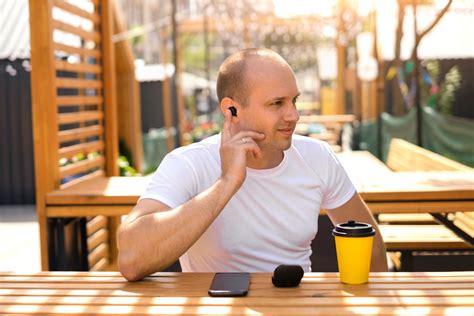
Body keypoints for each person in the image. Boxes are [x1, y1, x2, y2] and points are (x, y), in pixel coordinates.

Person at [118, 48, 388, 281]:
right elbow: (131, 258)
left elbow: (372, 248)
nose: (293, 115)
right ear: (231, 110)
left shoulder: (317, 156)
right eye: (276, 103)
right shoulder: (189, 163)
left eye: (293, 100)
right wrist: (226, 183)